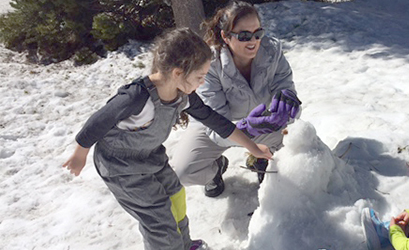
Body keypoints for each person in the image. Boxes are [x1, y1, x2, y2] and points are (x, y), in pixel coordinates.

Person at [62, 28, 272, 250]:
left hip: (150, 156)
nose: (202, 83)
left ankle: (183, 244)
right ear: (178, 73)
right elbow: (98, 122)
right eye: (199, 77)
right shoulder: (136, 97)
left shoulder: (183, 96)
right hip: (120, 167)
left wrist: (252, 146)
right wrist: (80, 153)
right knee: (158, 218)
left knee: (175, 195)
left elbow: (216, 121)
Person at [172, 0, 301, 197]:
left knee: (295, 155)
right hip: (214, 127)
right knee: (184, 171)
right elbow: (215, 123)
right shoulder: (209, 64)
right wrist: (244, 129)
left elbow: (284, 85)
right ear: (225, 36)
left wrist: (287, 100)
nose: (253, 41)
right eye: (244, 36)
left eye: (258, 33)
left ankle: (260, 158)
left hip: (262, 123)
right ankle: (215, 169)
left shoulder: (272, 51)